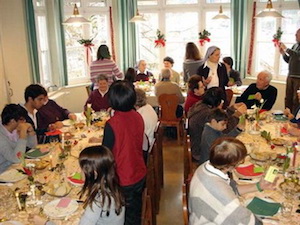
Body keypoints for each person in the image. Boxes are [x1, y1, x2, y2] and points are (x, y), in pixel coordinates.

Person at [189, 137, 277, 225]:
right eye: (240, 162)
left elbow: (232, 189)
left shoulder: (206, 167)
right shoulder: (219, 192)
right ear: (230, 167)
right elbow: (245, 221)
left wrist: (259, 186)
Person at [31, 145, 125, 225]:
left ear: (94, 173)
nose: (79, 173)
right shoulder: (112, 187)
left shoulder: (98, 201)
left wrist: (45, 223)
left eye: (81, 169)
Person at [102, 81, 146, 225]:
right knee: (134, 214)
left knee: (123, 217)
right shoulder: (137, 116)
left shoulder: (112, 124)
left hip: (122, 178)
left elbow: (105, 155)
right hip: (139, 171)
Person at [188, 87, 246, 161]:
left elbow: (221, 119)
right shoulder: (207, 114)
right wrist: (237, 115)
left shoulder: (201, 105)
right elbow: (225, 130)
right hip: (200, 152)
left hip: (197, 144)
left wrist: (232, 108)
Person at [0, 104, 37, 173]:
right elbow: (16, 158)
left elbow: (33, 146)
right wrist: (22, 136)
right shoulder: (1, 137)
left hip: (17, 167)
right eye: (22, 120)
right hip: (4, 173)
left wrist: (31, 131)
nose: (24, 122)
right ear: (12, 121)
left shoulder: (15, 129)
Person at [279, 28, 300, 114]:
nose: (295, 36)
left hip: (298, 78)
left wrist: (286, 49)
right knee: (288, 98)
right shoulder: (295, 45)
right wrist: (283, 53)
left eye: (297, 34)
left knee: (296, 100)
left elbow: (297, 55)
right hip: (290, 75)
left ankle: (294, 118)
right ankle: (287, 115)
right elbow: (289, 60)